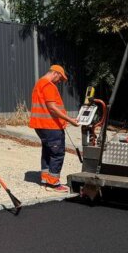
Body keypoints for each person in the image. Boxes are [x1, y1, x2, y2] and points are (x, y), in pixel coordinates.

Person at [28, 64, 79, 192]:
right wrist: (70, 120)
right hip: (51, 126)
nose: (60, 81)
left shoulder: (39, 84)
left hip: (41, 125)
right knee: (57, 153)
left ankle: (46, 179)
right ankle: (53, 184)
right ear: (55, 73)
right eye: (60, 79)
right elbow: (52, 108)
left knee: (47, 152)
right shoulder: (49, 85)